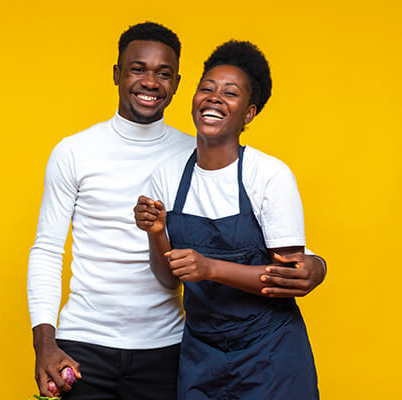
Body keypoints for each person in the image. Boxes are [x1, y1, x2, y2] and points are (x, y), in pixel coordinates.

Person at [28, 23, 325, 400]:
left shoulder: (206, 156)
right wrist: (44, 342)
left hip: (175, 347)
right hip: (92, 343)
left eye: (163, 73)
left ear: (177, 82)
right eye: (137, 69)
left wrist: (315, 263)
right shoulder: (79, 153)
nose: (150, 82)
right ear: (117, 74)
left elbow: (286, 258)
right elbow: (48, 251)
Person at [134, 40, 320, 399]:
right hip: (201, 354)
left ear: (248, 113)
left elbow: (291, 280)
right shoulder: (167, 176)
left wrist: (210, 268)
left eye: (230, 93)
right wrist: (157, 234)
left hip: (271, 352)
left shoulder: (268, 175)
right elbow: (167, 280)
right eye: (207, 88)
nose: (215, 97)